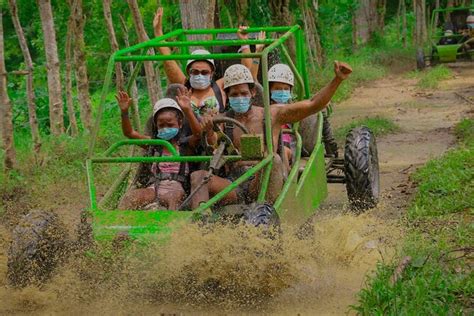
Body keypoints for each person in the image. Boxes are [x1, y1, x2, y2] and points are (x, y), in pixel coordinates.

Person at [189, 61, 352, 209]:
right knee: (198, 176)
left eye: (243, 93)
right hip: (235, 183)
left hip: (265, 181)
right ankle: (200, 223)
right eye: (234, 95)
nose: (239, 98)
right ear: (227, 96)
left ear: (252, 93)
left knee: (273, 160)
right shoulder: (222, 120)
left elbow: (312, 104)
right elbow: (213, 147)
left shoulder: (272, 114)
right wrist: (209, 130)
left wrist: (337, 80)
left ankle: (266, 213)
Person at [115, 88, 211, 210]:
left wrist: (187, 110)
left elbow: (199, 135)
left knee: (173, 197)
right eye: (161, 125)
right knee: (130, 197)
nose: (166, 128)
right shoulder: (155, 144)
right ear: (156, 126)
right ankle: (119, 226)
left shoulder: (185, 145)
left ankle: (171, 227)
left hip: (176, 188)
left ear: (180, 124)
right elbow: (129, 133)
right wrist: (124, 112)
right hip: (154, 187)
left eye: (170, 125)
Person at [153, 7, 252, 117]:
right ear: (188, 72)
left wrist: (244, 43)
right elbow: (169, 61)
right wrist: (158, 33)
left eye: (204, 72)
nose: (199, 75)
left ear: (212, 73)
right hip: (191, 133)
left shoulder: (220, 87)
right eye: (195, 72)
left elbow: (244, 71)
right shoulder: (185, 86)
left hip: (217, 132)